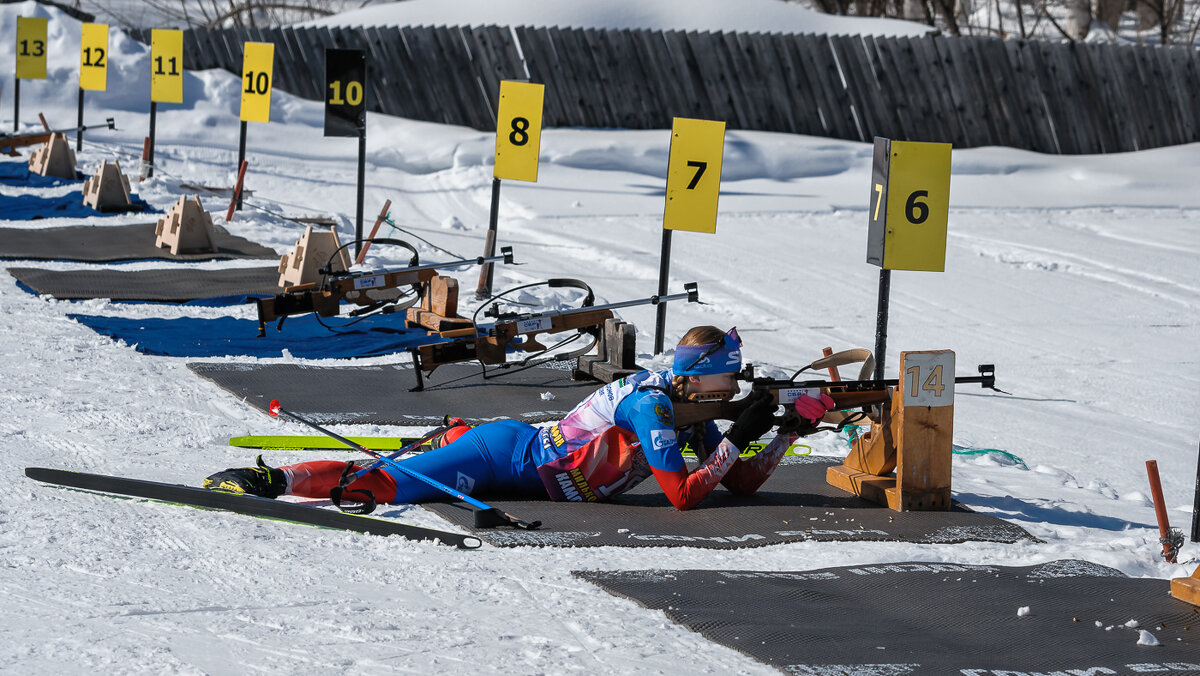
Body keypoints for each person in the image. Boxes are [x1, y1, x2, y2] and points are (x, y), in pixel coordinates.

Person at [204, 326, 836, 511]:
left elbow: (739, 483)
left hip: (529, 460)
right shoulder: (653, 407)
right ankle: (272, 482)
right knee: (390, 484)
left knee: (403, 474)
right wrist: (745, 431)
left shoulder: (686, 406)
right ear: (700, 375)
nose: (738, 384)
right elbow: (684, 498)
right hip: (503, 454)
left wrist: (780, 433)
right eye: (732, 373)